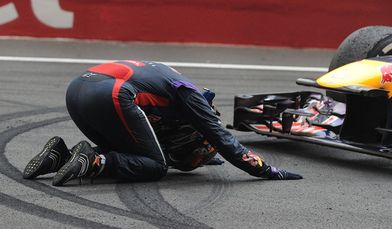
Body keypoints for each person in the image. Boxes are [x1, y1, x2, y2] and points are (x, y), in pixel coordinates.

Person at [23, 60, 302, 186]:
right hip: (112, 93)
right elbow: (226, 142)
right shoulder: (193, 98)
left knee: (129, 152)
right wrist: (270, 171)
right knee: (155, 165)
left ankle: (60, 156)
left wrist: (208, 160)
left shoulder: (168, 85)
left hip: (77, 89)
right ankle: (95, 162)